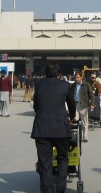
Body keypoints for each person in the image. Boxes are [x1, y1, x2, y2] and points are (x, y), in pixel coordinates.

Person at [31, 63, 76, 193]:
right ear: (57, 72)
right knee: (62, 159)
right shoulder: (64, 85)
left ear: (45, 72)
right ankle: (61, 189)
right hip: (61, 128)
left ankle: (48, 190)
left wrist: (42, 113)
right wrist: (71, 117)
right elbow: (72, 104)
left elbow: (36, 105)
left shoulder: (39, 85)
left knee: (45, 162)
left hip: (42, 128)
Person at [70, 72, 95, 143]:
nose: (76, 79)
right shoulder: (73, 85)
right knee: (74, 122)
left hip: (83, 106)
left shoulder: (86, 85)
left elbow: (92, 95)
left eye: (77, 77)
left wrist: (92, 104)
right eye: (75, 77)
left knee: (84, 123)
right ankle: (74, 137)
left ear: (81, 77)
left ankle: (85, 137)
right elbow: (70, 94)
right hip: (75, 105)